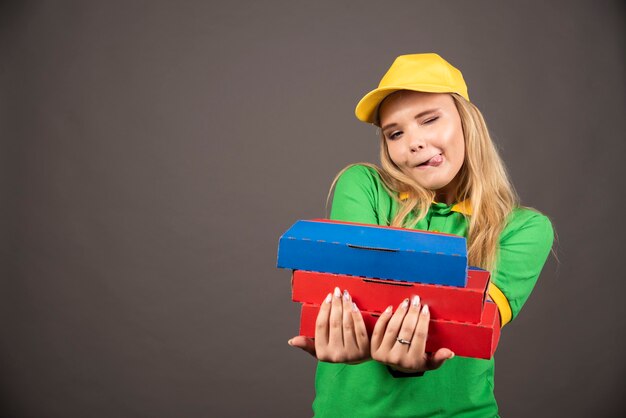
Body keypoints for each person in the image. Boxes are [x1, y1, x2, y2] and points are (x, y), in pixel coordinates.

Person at [287, 53, 554, 417]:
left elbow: (463, 327)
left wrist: (389, 320)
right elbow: (349, 291)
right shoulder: (363, 185)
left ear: (467, 122)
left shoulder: (524, 229)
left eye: (429, 120)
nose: (413, 142)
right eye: (395, 133)